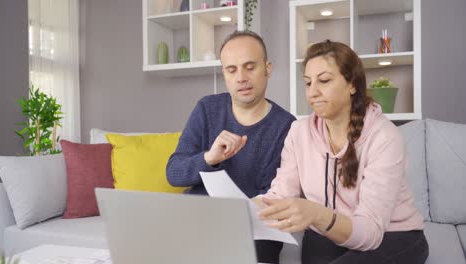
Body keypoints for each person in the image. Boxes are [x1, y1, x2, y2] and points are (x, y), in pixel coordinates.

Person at [254, 40, 429, 264]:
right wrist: (243, 208)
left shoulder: (384, 136)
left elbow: (370, 233)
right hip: (327, 231)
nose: (313, 92)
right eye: (308, 83)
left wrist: (316, 213)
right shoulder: (299, 132)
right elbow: (280, 195)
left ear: (352, 84)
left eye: (324, 81)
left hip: (392, 235)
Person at [166, 30, 296, 263]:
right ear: (224, 74)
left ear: (267, 68)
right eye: (232, 69)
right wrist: (209, 158)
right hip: (198, 220)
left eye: (250, 66)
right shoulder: (207, 109)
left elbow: (273, 197)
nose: (241, 78)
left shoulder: (286, 126)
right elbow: (173, 173)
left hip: (253, 230)